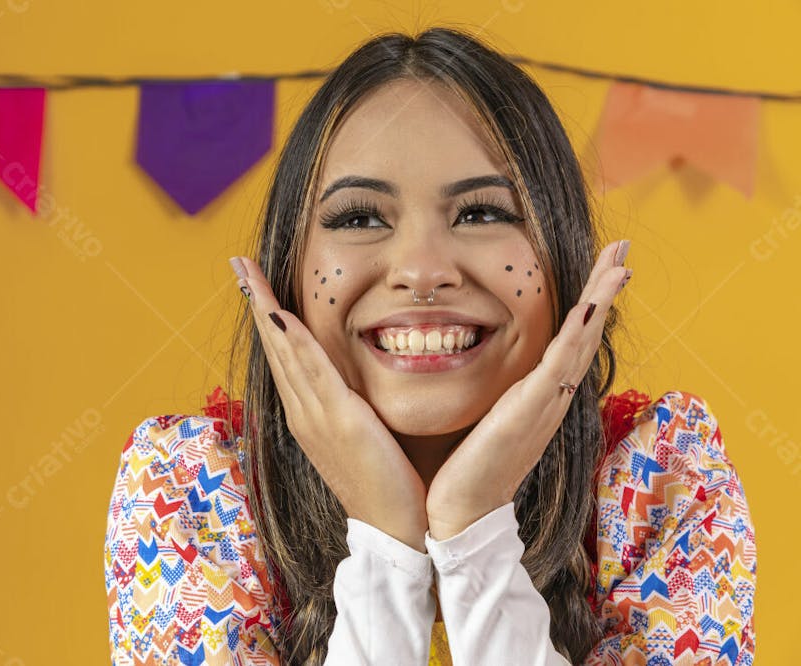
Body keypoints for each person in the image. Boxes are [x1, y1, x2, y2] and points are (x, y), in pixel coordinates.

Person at [104, 26, 757, 665]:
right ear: (289, 273)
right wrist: (386, 541)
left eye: (480, 213)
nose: (421, 269)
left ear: (562, 264)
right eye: (359, 217)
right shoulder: (192, 496)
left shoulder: (662, 485)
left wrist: (475, 533)